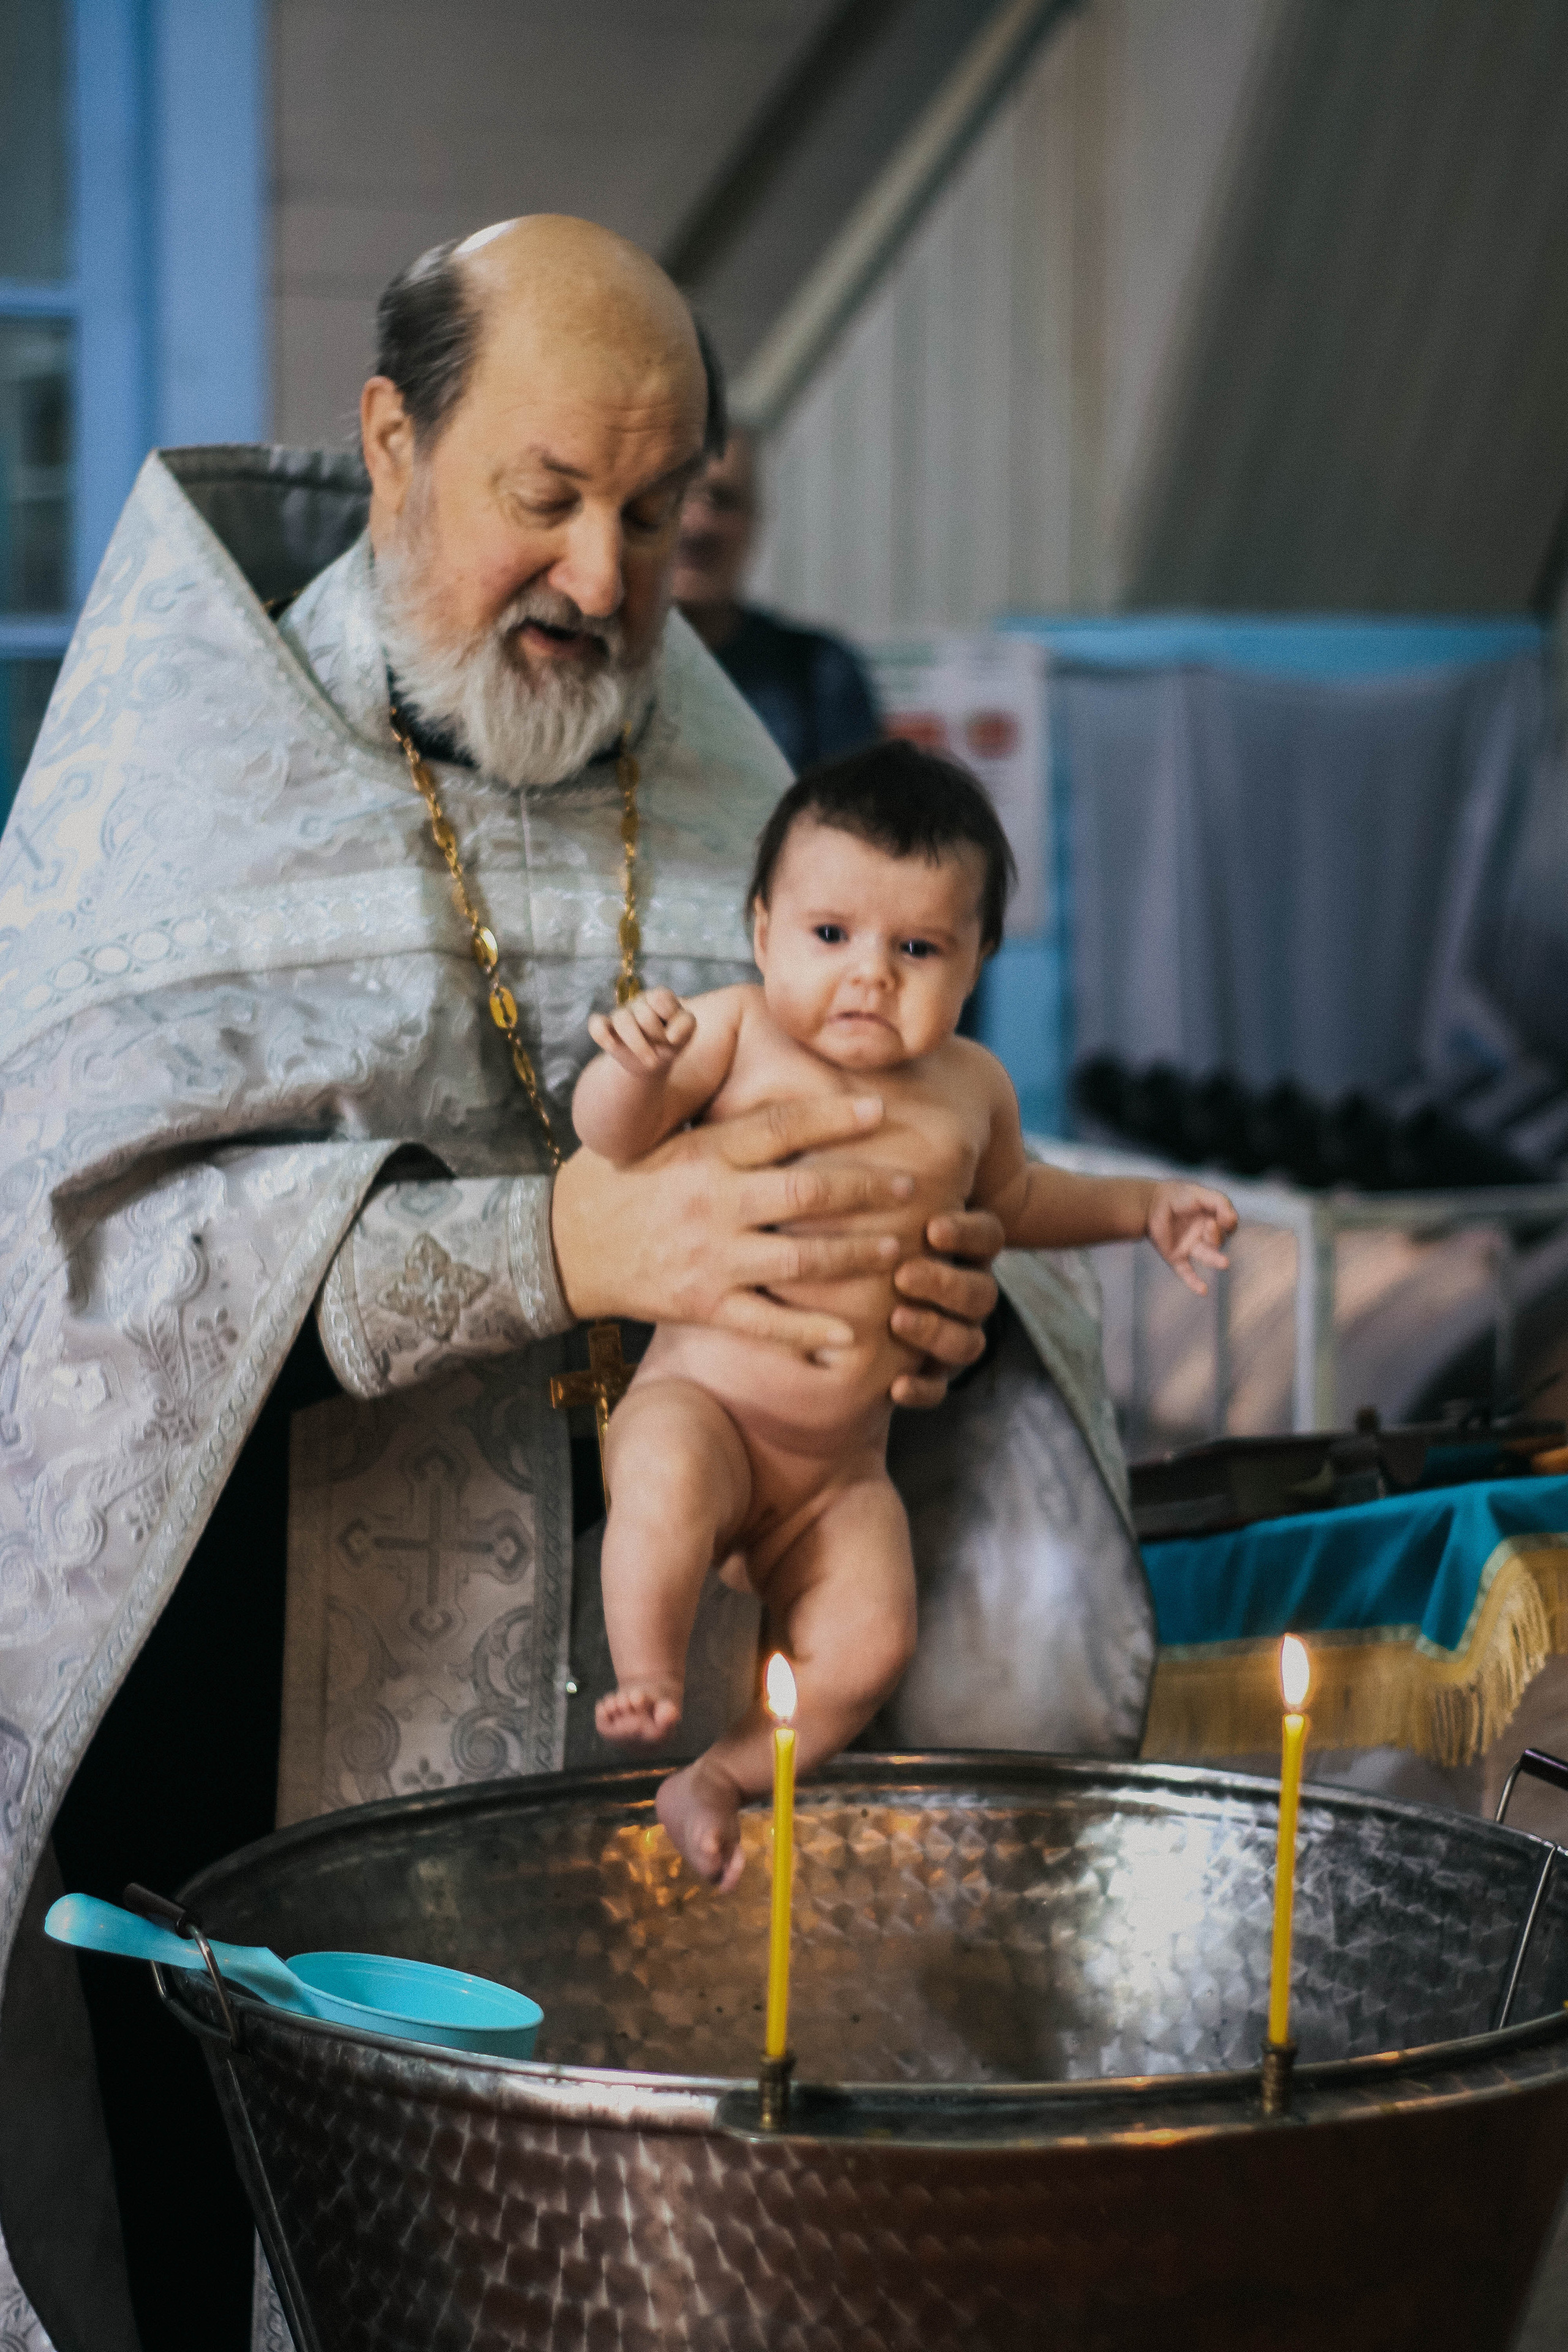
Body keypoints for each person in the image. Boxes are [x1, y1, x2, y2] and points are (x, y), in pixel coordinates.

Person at [0, 214, 1153, 2350]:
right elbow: (62, 1273)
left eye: (660, 509)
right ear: (393, 442)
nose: (613, 583)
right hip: (237, 1751)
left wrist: (947, 1308)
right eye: (547, 498)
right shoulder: (178, 790)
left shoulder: (737, 793)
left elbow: (946, 1161)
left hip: (661, 1765)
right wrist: (553, 1241)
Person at [577, 745, 1235, 1885]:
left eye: (916, 948)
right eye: (831, 936)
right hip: (707, 1405)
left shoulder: (973, 1090)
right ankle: (650, 1674)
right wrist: (633, 1067)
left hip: (840, 1472)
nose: (869, 976)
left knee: (875, 1636)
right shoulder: (734, 1034)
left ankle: (721, 1776)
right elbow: (615, 1142)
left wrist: (1146, 1210)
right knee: (668, 1491)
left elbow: (1022, 1204)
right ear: (762, 925)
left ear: (976, 960)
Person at [672, 426, 883, 767]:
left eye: (722, 499)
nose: (698, 524)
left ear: (755, 521)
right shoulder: (582, 666)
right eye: (677, 497)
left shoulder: (822, 676)